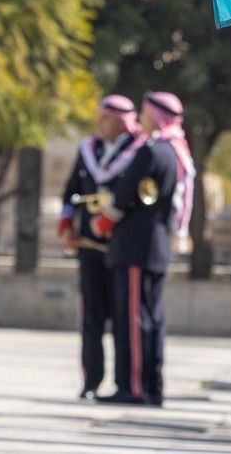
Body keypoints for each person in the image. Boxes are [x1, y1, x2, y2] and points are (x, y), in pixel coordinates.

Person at [91, 91, 195, 407]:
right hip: (154, 246)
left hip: (135, 246)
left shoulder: (153, 151)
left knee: (132, 321)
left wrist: (102, 222)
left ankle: (132, 387)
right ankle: (151, 385)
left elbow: (124, 195)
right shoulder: (174, 151)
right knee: (151, 320)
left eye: (146, 114)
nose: (141, 119)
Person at [58, 94, 142, 399]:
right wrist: (66, 224)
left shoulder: (138, 150)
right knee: (91, 317)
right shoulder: (88, 149)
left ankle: (123, 382)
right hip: (89, 246)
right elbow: (71, 191)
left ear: (122, 122)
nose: (99, 123)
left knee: (122, 318)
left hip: (121, 247)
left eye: (105, 118)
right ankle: (91, 380)